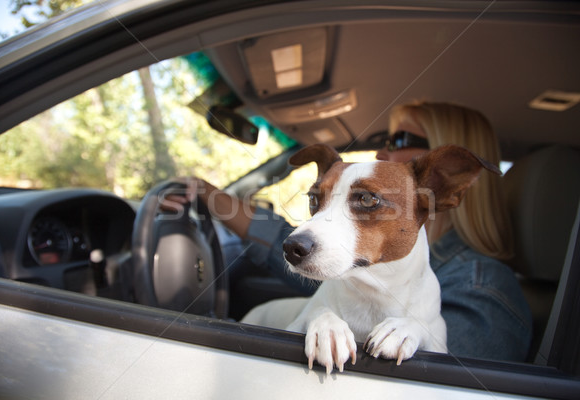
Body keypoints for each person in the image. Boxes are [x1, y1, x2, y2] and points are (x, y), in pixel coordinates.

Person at [178, 100, 532, 362]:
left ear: (441, 179)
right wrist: (206, 193)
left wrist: (417, 335)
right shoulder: (360, 270)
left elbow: (444, 378)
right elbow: (294, 245)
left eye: (399, 140)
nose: (381, 150)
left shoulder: (482, 287)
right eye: (318, 201)